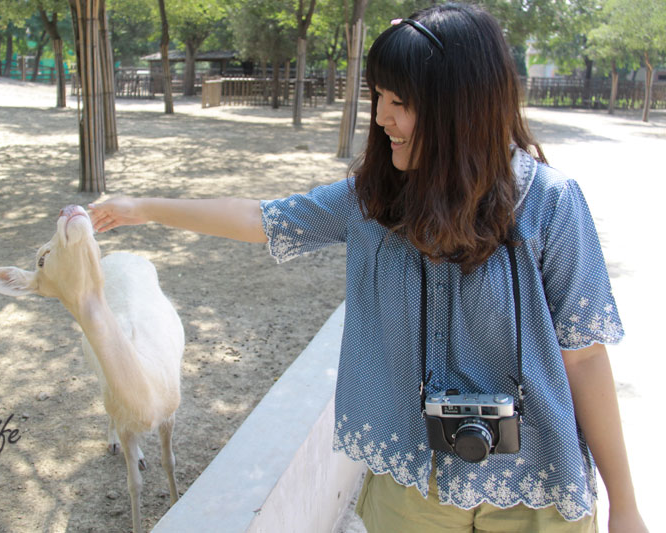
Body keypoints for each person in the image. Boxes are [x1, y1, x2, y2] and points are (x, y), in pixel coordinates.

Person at [89, 3, 647, 531]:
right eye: (377, 95)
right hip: (412, 483)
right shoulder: (371, 201)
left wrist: (624, 504)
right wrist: (143, 209)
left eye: (399, 101)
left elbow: (586, 359)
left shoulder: (550, 204)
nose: (380, 117)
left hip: (535, 484)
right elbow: (263, 219)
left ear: (461, 107)